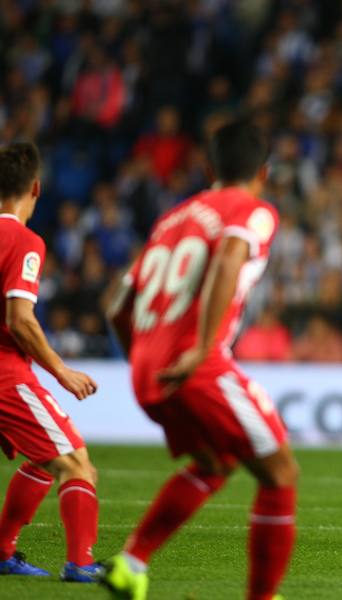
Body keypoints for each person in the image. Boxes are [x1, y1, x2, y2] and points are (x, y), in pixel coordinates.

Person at [102, 120, 298, 600]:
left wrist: (141, 362)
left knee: (214, 463)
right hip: (198, 365)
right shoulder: (253, 211)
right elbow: (232, 253)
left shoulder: (174, 217)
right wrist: (201, 349)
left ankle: (130, 563)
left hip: (148, 372)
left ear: (209, 167)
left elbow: (115, 305)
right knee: (281, 474)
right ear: (264, 173)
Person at [0, 142, 101, 582]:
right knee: (76, 463)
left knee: (45, 457)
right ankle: (80, 563)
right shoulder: (24, 241)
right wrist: (62, 371)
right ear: (36, 189)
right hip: (5, 373)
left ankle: (3, 551)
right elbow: (20, 320)